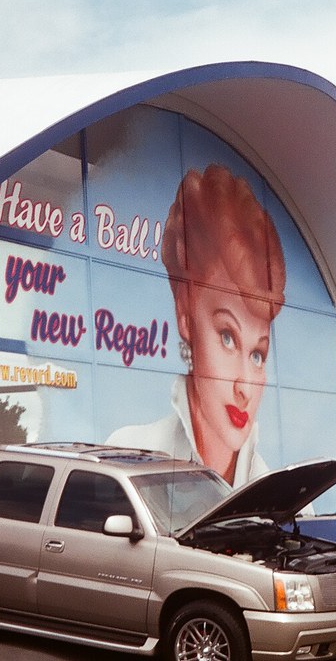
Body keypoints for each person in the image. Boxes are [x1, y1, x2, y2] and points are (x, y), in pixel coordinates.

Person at [107, 164, 286, 487]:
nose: (245, 387)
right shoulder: (129, 453)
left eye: (258, 354)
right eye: (228, 337)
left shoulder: (279, 492)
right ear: (185, 317)